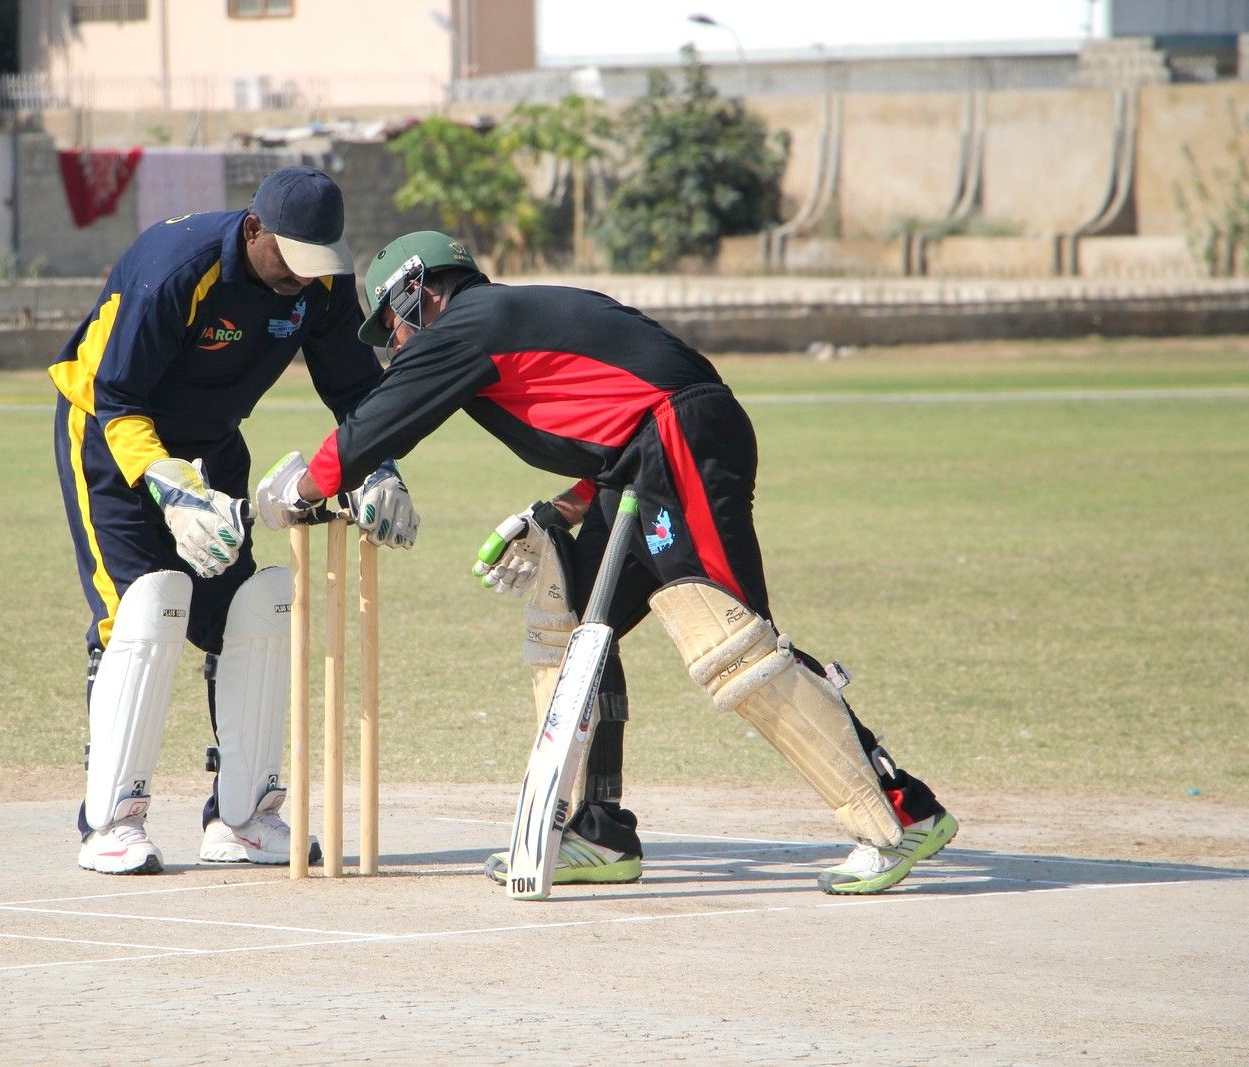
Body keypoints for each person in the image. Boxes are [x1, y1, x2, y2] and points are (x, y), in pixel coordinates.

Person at [254, 230, 958, 895]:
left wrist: (301, 489)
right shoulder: (509, 320)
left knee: (732, 642)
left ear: (418, 290)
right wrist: (561, 510)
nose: (397, 344)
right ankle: (598, 833)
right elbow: (621, 413)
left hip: (679, 442)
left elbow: (376, 424)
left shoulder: (469, 322)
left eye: (393, 324)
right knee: (572, 619)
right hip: (649, 453)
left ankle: (898, 814)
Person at [49, 166, 419, 875]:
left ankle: (242, 816)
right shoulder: (177, 269)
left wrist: (378, 468)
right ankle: (110, 822)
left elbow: (355, 391)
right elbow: (119, 398)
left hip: (213, 439)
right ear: (254, 230)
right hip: (110, 434)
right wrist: (172, 489)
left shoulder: (322, 282)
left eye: (318, 262)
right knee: (144, 607)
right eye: (292, 258)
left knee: (253, 610)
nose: (305, 277)